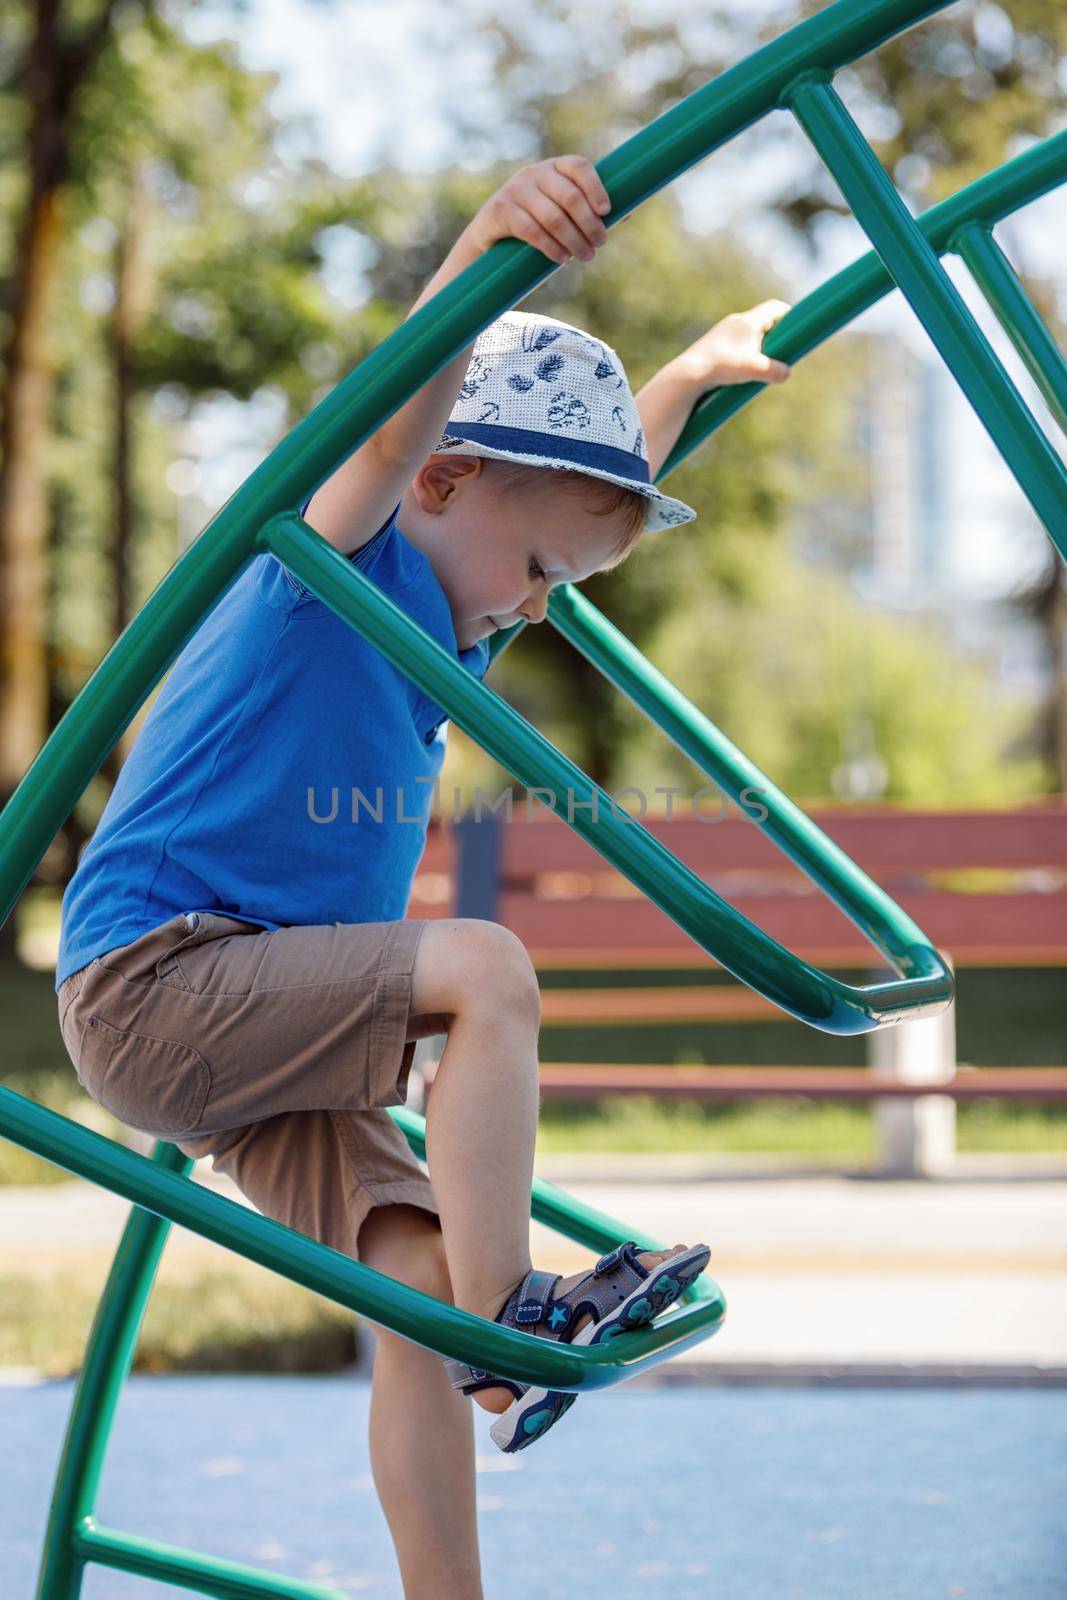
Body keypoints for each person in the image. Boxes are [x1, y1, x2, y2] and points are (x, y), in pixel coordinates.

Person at [55, 153, 790, 1598]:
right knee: (485, 971)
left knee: (405, 1293)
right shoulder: (326, 562)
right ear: (446, 480)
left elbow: (554, 503)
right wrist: (484, 246)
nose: (531, 602)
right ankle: (513, 1318)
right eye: (529, 567)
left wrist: (690, 378)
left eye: (550, 589)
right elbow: (399, 428)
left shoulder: (456, 618)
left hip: (270, 1026)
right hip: (162, 980)